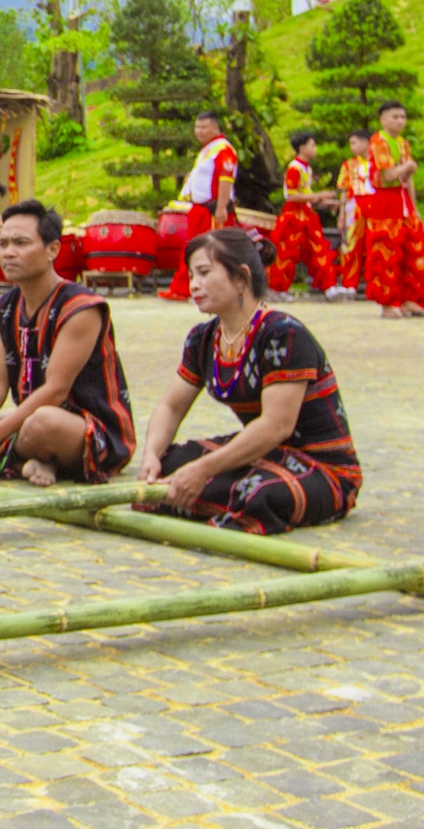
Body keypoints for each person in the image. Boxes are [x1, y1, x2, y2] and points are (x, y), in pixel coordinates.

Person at [132, 229, 361, 534]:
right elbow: (172, 406)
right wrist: (151, 456)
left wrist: (203, 470)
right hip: (265, 455)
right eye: (190, 275)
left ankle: (218, 502)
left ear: (240, 278)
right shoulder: (203, 339)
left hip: (319, 466)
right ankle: (205, 497)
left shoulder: (283, 334)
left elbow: (276, 426)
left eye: (203, 273)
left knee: (258, 495)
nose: (194, 285)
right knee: (172, 463)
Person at [0, 201, 135, 486]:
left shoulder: (80, 308)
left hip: (85, 429)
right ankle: (34, 458)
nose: (8, 253)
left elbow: (55, 390)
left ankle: (18, 454)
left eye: (21, 243)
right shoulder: (6, 308)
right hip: (26, 422)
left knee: (42, 424)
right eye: (3, 243)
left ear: (52, 250)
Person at [161, 111, 240, 302]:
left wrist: (221, 207)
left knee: (214, 251)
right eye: (197, 127)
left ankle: (222, 288)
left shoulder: (224, 150)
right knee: (192, 249)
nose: (199, 131)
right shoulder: (207, 149)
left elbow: (225, 179)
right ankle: (182, 288)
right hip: (199, 209)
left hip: (212, 210)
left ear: (215, 127)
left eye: (204, 127)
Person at [363, 101, 424, 318]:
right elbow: (387, 175)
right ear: (383, 119)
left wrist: (415, 208)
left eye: (403, 117)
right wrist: (406, 168)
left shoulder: (403, 143)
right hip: (385, 201)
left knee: (412, 249)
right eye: (395, 117)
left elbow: (407, 180)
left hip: (403, 202)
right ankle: (388, 304)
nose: (400, 121)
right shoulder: (378, 142)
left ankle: (409, 299)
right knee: (386, 251)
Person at [267, 129, 340, 299]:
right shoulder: (295, 168)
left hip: (305, 212)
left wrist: (321, 201)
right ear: (302, 147)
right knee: (287, 251)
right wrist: (318, 196)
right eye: (312, 145)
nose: (315, 149)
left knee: (318, 248)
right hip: (294, 214)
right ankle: (277, 287)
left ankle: (329, 286)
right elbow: (291, 195)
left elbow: (304, 193)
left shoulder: (306, 168)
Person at [333, 129, 373, 297]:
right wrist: (342, 214)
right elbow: (344, 190)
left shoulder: (378, 162)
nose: (352, 147)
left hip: (375, 203)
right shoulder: (349, 164)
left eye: (354, 143)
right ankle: (350, 283)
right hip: (354, 204)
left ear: (366, 143)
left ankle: (375, 284)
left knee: (374, 244)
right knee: (351, 244)